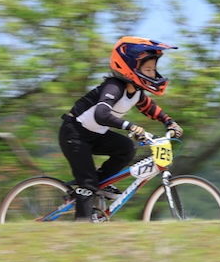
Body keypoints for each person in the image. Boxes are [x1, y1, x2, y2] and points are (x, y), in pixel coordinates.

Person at [59, 37, 184, 221]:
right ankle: (82, 224)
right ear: (131, 68)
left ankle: (100, 183)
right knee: (88, 184)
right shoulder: (114, 87)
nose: (152, 74)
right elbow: (100, 114)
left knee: (127, 148)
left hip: (95, 135)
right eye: (147, 69)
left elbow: (150, 108)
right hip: (74, 135)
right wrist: (130, 126)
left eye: (153, 69)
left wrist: (169, 122)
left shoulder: (137, 93)